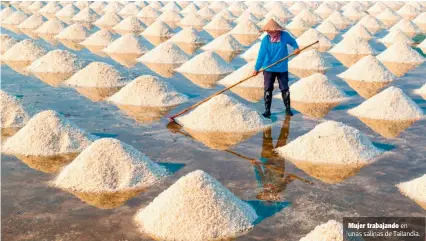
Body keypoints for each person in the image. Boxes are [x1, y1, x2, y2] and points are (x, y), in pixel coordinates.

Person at [253, 19, 300, 118]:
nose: (268, 32)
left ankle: (287, 109)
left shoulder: (284, 36)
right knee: (268, 89)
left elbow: (292, 41)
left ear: (277, 30)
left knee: (284, 88)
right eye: (267, 31)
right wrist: (256, 68)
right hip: (268, 68)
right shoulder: (266, 40)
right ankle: (267, 111)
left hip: (282, 67)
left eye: (271, 30)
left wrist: (296, 48)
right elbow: (261, 55)